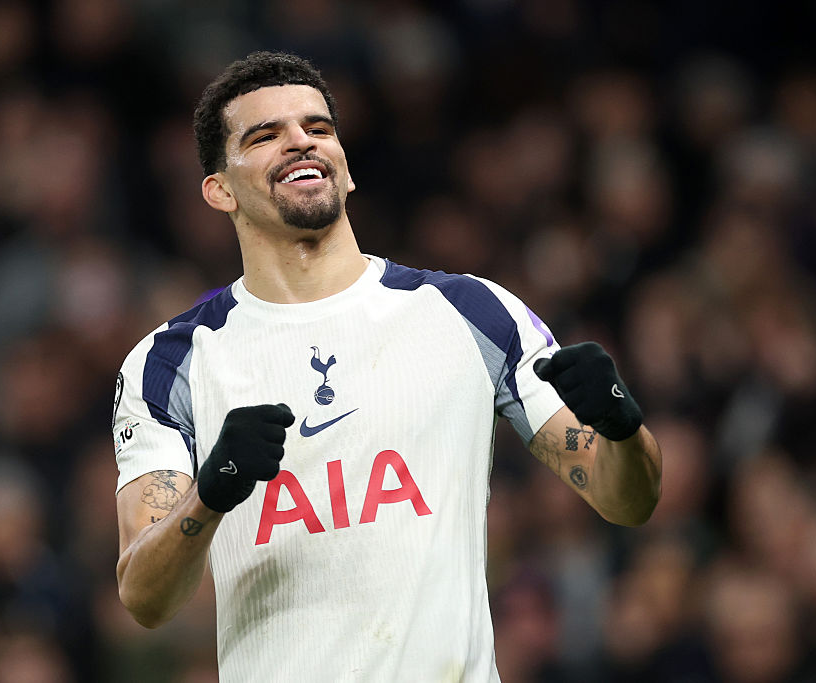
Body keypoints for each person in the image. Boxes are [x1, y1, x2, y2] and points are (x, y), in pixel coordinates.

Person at [112, 51, 662, 682]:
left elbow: (629, 503)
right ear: (219, 190)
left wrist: (622, 428)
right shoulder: (171, 362)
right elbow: (144, 598)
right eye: (265, 136)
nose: (299, 142)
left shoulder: (472, 313)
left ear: (346, 171)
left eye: (317, 129)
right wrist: (210, 496)